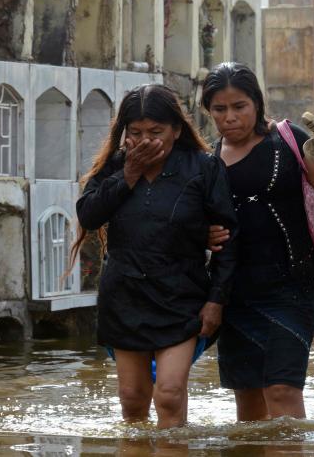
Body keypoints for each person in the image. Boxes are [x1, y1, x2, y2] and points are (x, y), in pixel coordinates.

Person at [71, 84, 237, 428]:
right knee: (132, 401)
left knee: (170, 393)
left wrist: (216, 300)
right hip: (125, 297)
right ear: (124, 133)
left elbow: (227, 240)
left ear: (176, 129)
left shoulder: (203, 168)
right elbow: (88, 216)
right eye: (136, 133)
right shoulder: (116, 167)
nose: (145, 141)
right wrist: (128, 174)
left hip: (181, 296)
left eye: (156, 132)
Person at [202, 62, 314, 421]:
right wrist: (203, 233)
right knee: (249, 407)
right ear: (209, 111)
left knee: (283, 390)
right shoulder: (206, 160)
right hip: (234, 293)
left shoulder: (290, 141)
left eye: (239, 106)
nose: (230, 117)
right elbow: (190, 218)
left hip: (290, 289)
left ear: (256, 103)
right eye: (219, 109)